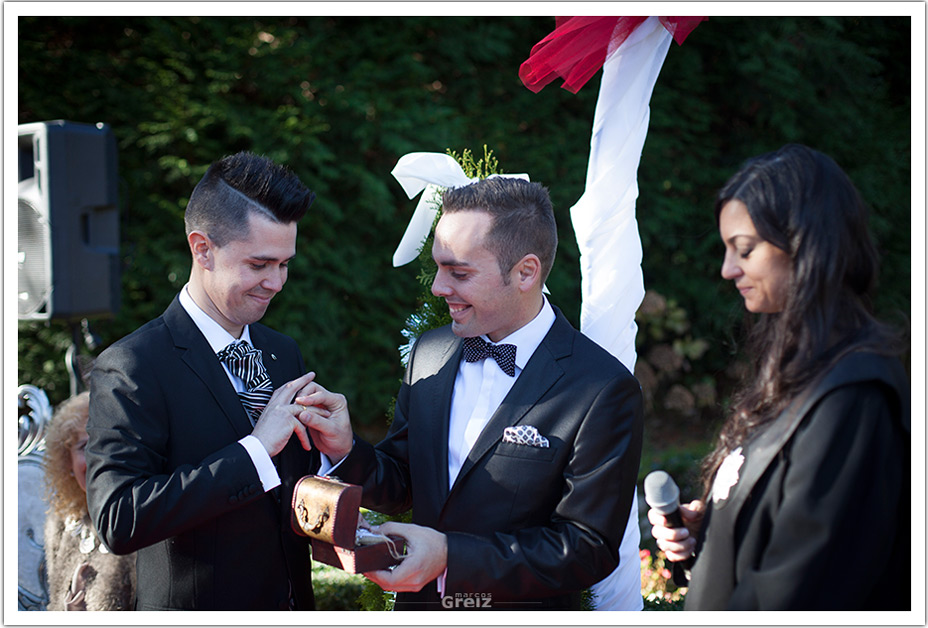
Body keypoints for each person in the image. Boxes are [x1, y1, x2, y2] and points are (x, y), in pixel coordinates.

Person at [300, 177, 644, 610]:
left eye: (459, 272)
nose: (438, 287)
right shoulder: (431, 351)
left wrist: (450, 558)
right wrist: (347, 449)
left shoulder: (602, 388)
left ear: (526, 272)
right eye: (439, 267)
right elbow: (405, 480)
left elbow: (586, 548)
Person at [648, 144, 910, 610]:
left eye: (744, 250)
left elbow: (804, 586)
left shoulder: (854, 395)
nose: (728, 270)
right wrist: (712, 530)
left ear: (804, 243)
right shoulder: (796, 373)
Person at [85, 152, 323, 610]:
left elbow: (288, 497)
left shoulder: (282, 350)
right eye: (259, 264)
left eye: (285, 264)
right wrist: (254, 451)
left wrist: (336, 454)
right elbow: (118, 518)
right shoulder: (132, 365)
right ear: (202, 249)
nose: (276, 282)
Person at [43, 391, 136, 611]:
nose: (97, 457)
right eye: (84, 446)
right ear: (68, 462)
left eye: (105, 444)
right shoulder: (61, 522)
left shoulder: (141, 520)